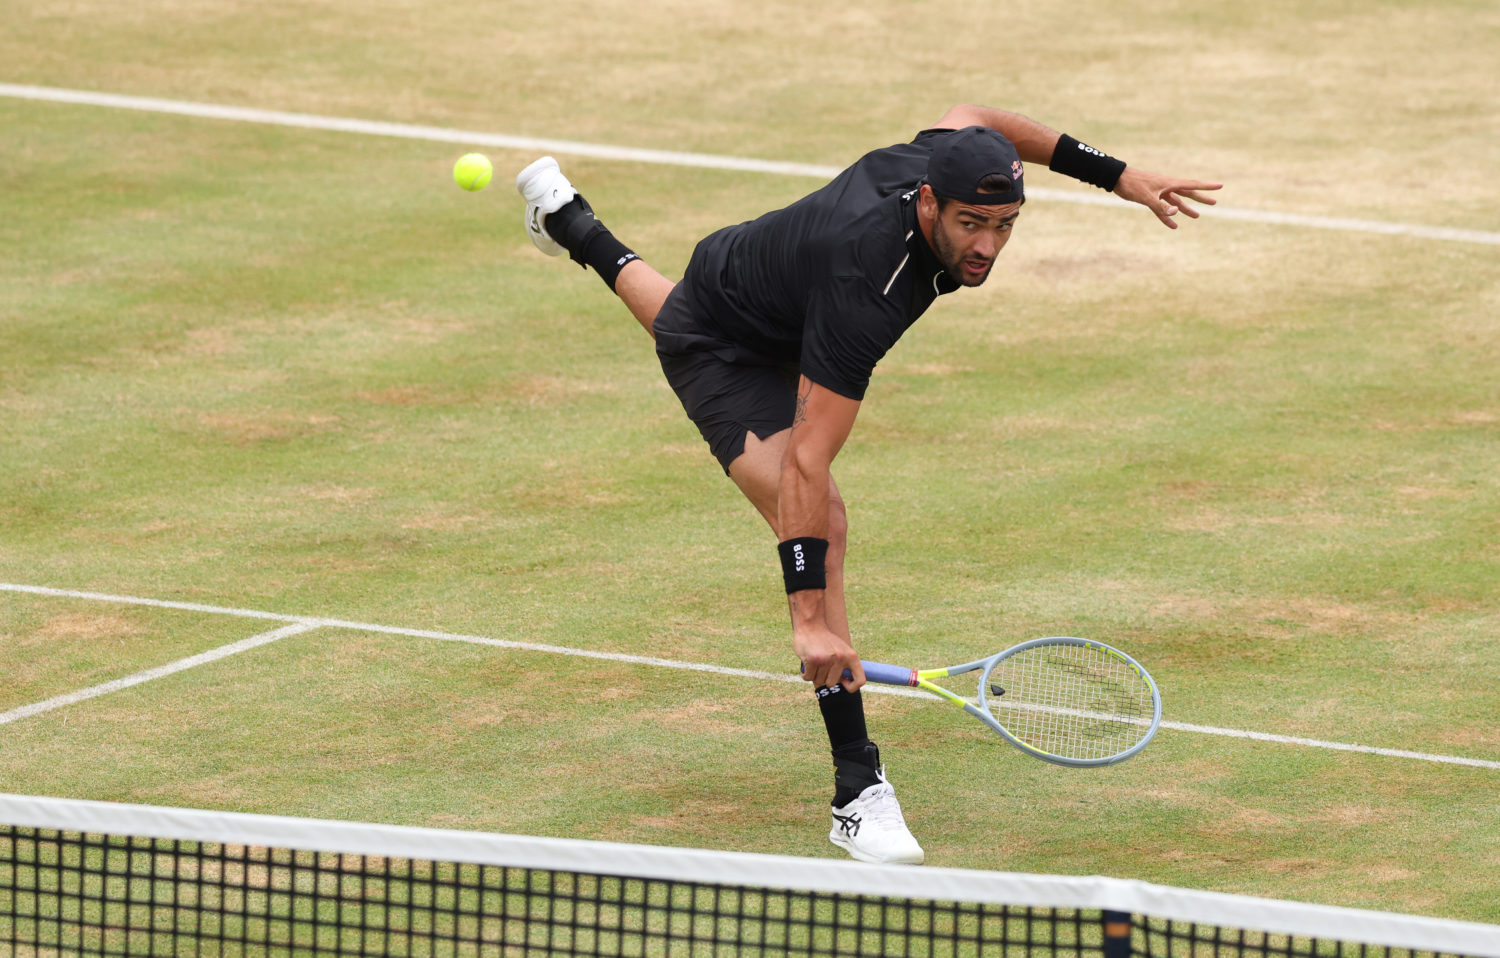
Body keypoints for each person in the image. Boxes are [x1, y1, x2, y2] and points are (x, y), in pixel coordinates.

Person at [513, 105, 1221, 865]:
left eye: (1006, 225)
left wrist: (1114, 176)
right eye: (970, 225)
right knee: (827, 521)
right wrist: (808, 618)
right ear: (927, 201)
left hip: (764, 287)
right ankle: (858, 792)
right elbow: (805, 466)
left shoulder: (943, 155)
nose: (987, 247)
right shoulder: (868, 286)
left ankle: (570, 222)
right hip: (729, 343)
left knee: (680, 317)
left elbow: (983, 117)